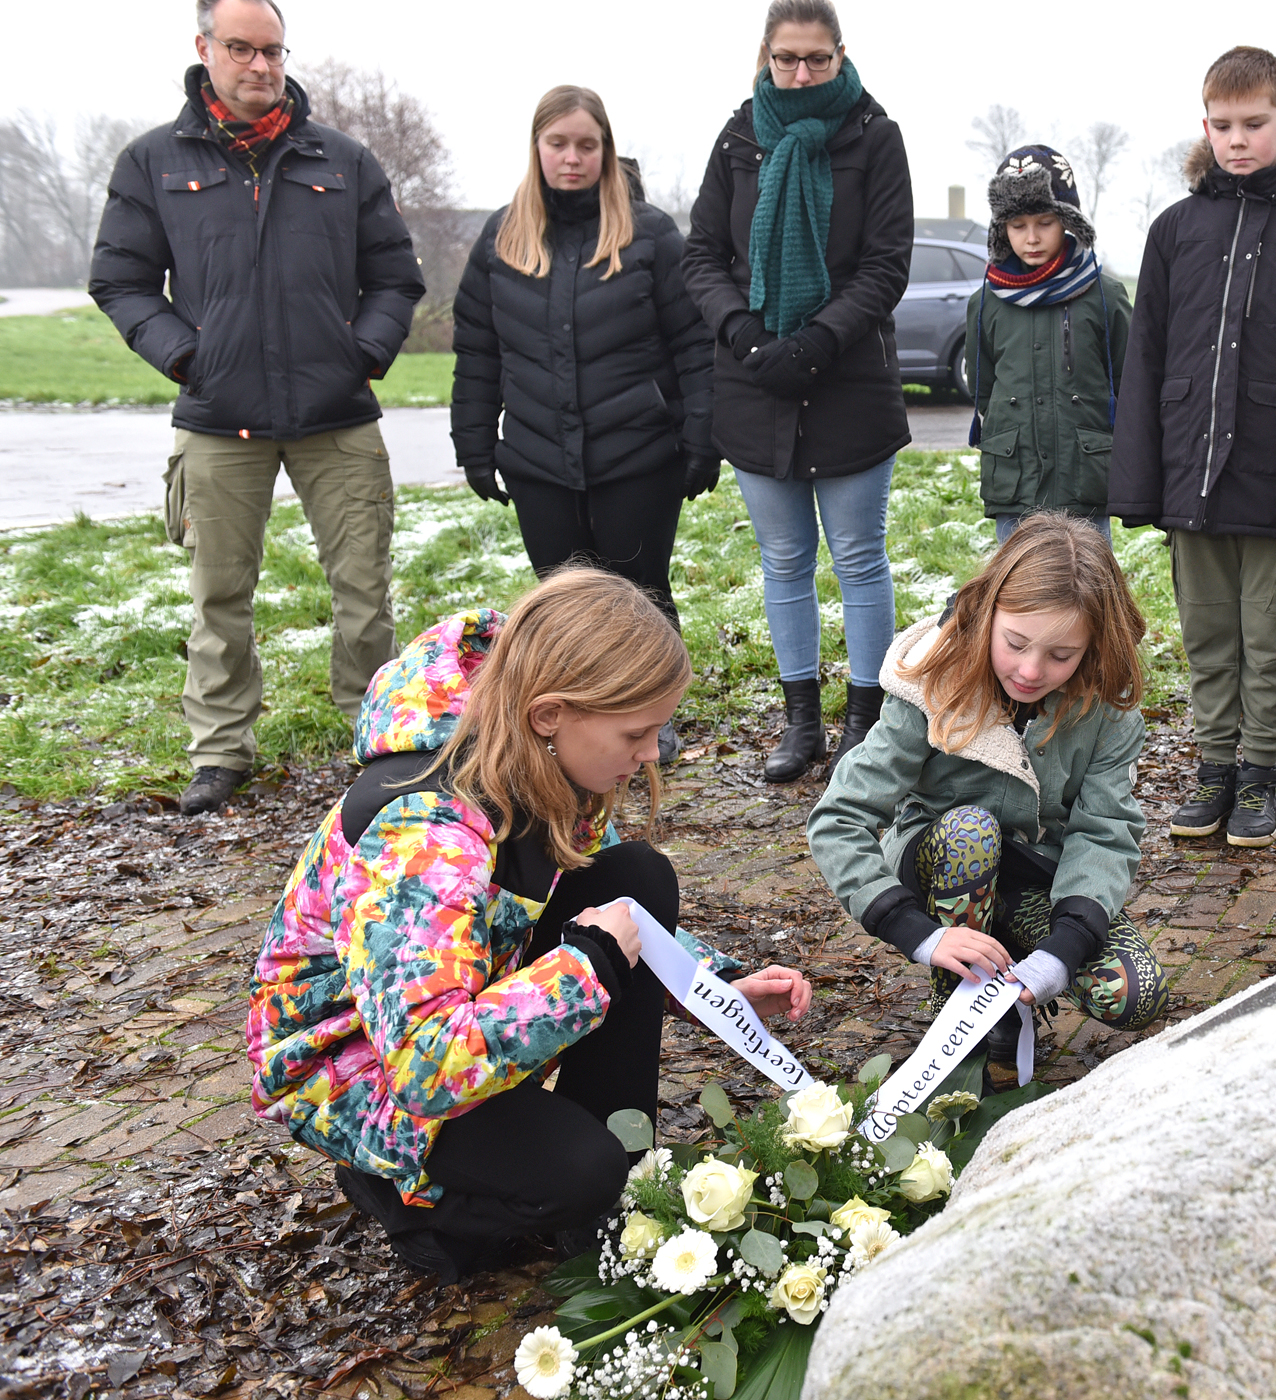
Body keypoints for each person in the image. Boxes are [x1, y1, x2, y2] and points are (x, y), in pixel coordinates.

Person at [247, 569, 813, 1281]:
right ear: (551, 714)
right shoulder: (427, 829)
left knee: (636, 877)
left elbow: (604, 895)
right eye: (636, 733)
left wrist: (713, 985)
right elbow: (425, 1066)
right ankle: (400, 1194)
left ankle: (613, 1171)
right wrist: (589, 966)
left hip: (471, 989)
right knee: (559, 1187)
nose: (650, 753)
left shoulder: (542, 755)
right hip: (363, 1060)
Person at [90, 0, 425, 816]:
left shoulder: (341, 159)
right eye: (240, 48)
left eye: (272, 49)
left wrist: (365, 351)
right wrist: (184, 354)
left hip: (336, 415)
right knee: (218, 593)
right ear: (204, 48)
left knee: (363, 589)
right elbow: (120, 280)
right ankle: (220, 751)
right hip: (216, 416)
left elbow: (395, 275)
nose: (259, 65)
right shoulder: (152, 163)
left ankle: (374, 738)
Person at [1107, 46, 1276, 851]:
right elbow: (1144, 357)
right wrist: (1141, 483)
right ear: (1205, 127)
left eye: (1255, 124)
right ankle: (1213, 768)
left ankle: (1259, 773)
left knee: (1266, 640)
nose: (1238, 139)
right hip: (1194, 482)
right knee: (1209, 637)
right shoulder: (1177, 228)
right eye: (1223, 125)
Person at [808, 515, 1167, 1067]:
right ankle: (961, 993)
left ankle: (1017, 963)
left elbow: (1105, 830)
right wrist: (917, 933)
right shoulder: (932, 678)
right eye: (1015, 643)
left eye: (1061, 655)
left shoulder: (1106, 705)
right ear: (989, 612)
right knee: (970, 833)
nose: (1029, 670)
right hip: (942, 862)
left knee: (1133, 993)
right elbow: (839, 817)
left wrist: (1063, 948)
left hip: (1037, 875)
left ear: (1093, 646)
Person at [451, 86, 716, 768]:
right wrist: (475, 443)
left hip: (638, 455)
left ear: (606, 150)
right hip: (538, 459)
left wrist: (700, 439)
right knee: (563, 606)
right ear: (537, 149)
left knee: (639, 596)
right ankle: (576, 730)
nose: (572, 158)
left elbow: (692, 345)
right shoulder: (501, 235)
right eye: (558, 144)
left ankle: (648, 722)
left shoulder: (650, 234)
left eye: (587, 145)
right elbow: (479, 350)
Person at [684, 0, 912, 783]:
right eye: (788, 59)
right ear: (766, 55)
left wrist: (817, 341)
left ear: (841, 55)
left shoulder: (875, 136)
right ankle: (799, 723)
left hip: (848, 377)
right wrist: (747, 335)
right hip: (752, 381)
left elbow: (886, 264)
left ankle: (866, 722)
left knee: (857, 556)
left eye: (817, 59)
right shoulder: (739, 135)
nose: (802, 73)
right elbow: (702, 258)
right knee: (783, 559)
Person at [964, 145, 1131, 544]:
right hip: (1015, 484)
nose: (1032, 237)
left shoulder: (1104, 295)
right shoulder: (985, 303)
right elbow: (982, 388)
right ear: (1002, 229)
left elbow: (1128, 384)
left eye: (1045, 222)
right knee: (1020, 597)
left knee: (1088, 595)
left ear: (1068, 222)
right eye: (1018, 225)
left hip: (1084, 483)